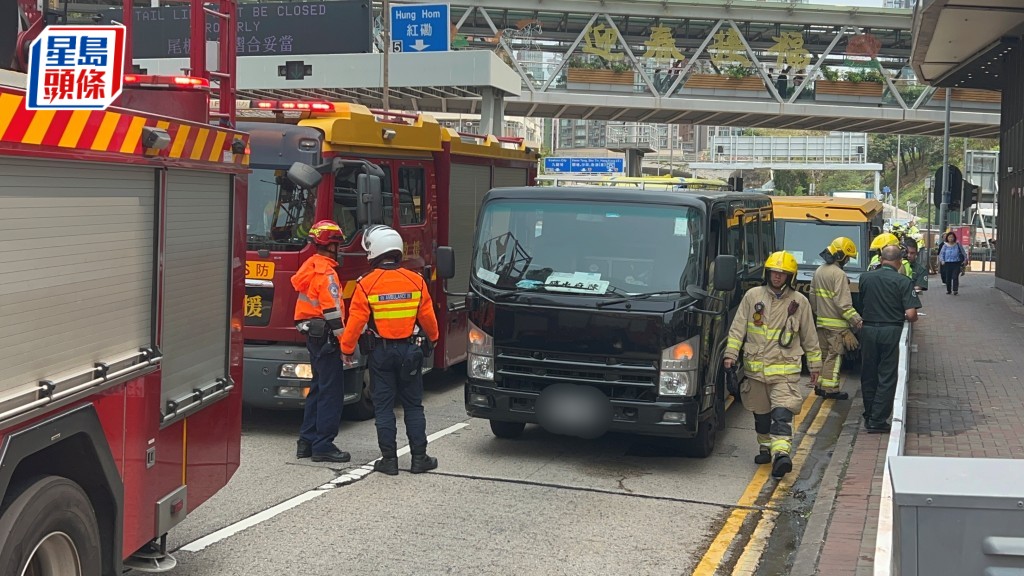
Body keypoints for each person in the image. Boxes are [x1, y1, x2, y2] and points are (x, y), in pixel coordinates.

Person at [341, 225, 440, 476]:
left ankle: (389, 461)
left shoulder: (366, 284)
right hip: (410, 353)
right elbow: (428, 319)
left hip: (380, 354)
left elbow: (355, 322)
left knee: (384, 408)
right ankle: (419, 458)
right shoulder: (416, 281)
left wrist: (346, 348)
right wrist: (434, 339)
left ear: (375, 251)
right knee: (413, 406)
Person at [724, 251, 822, 479]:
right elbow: (738, 328)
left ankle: (781, 455)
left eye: (782, 273)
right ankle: (765, 448)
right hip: (756, 371)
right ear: (767, 273)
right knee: (761, 417)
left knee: (782, 414)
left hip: (785, 372)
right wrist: (730, 354)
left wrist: (815, 365)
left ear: (790, 276)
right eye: (774, 272)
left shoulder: (799, 302)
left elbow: (809, 336)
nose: (777, 277)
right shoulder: (752, 296)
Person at [292, 220, 351, 463]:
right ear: (332, 245)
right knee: (331, 392)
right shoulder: (327, 274)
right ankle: (323, 445)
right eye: (338, 245)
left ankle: (306, 441)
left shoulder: (309, 267)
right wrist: (345, 344)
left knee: (317, 387)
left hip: (313, 336)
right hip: (327, 338)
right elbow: (333, 313)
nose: (340, 249)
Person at [858, 245, 921, 433]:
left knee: (868, 374)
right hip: (890, 331)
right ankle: (877, 420)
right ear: (900, 261)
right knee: (886, 375)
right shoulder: (903, 281)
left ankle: (869, 413)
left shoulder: (865, 278)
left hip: (868, 329)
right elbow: (911, 314)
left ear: (880, 259)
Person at [809, 237, 863, 401]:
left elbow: (812, 297)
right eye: (847, 257)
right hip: (837, 326)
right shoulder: (839, 274)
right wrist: (857, 321)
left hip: (821, 323)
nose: (847, 261)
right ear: (841, 255)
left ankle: (819, 386)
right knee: (834, 357)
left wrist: (819, 314)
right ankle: (830, 390)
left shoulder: (819, 270)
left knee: (824, 356)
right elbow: (843, 304)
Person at [938, 231, 969, 295]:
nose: (951, 238)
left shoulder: (957, 245)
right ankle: (949, 290)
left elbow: (963, 253)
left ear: (954, 238)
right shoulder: (945, 245)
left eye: (952, 237)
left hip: (956, 263)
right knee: (948, 277)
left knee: (955, 276)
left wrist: (965, 260)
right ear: (947, 238)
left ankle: (955, 290)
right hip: (947, 263)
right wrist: (942, 260)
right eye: (949, 237)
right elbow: (941, 254)